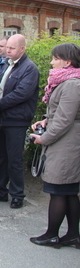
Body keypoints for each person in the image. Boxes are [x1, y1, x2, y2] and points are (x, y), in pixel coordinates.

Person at [29, 43, 80, 248]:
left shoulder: (72, 84)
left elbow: (65, 120)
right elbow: (60, 114)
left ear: (67, 62)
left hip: (67, 145)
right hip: (65, 142)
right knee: (67, 191)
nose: (51, 62)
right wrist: (45, 121)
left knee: (59, 190)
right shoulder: (67, 82)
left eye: (55, 58)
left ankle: (52, 235)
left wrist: (45, 138)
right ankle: (73, 235)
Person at [0, 34, 39, 209]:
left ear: (22, 49)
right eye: (7, 47)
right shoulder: (6, 65)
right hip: (0, 117)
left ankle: (17, 194)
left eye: (12, 48)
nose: (7, 50)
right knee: (0, 156)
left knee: (14, 159)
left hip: (16, 119)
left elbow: (21, 94)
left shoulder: (29, 68)